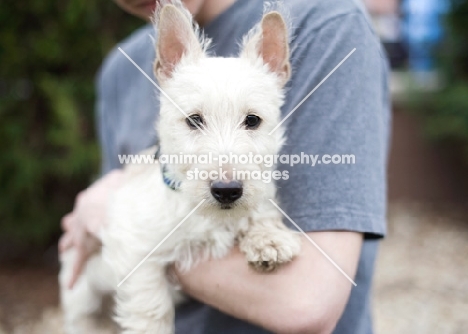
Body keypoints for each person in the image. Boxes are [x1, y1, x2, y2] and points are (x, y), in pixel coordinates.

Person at [60, 0, 390, 333]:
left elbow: (305, 306)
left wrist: (138, 241)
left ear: (280, 68)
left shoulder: (329, 23)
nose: (226, 175)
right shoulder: (119, 70)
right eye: (194, 121)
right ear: (164, 64)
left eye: (251, 121)